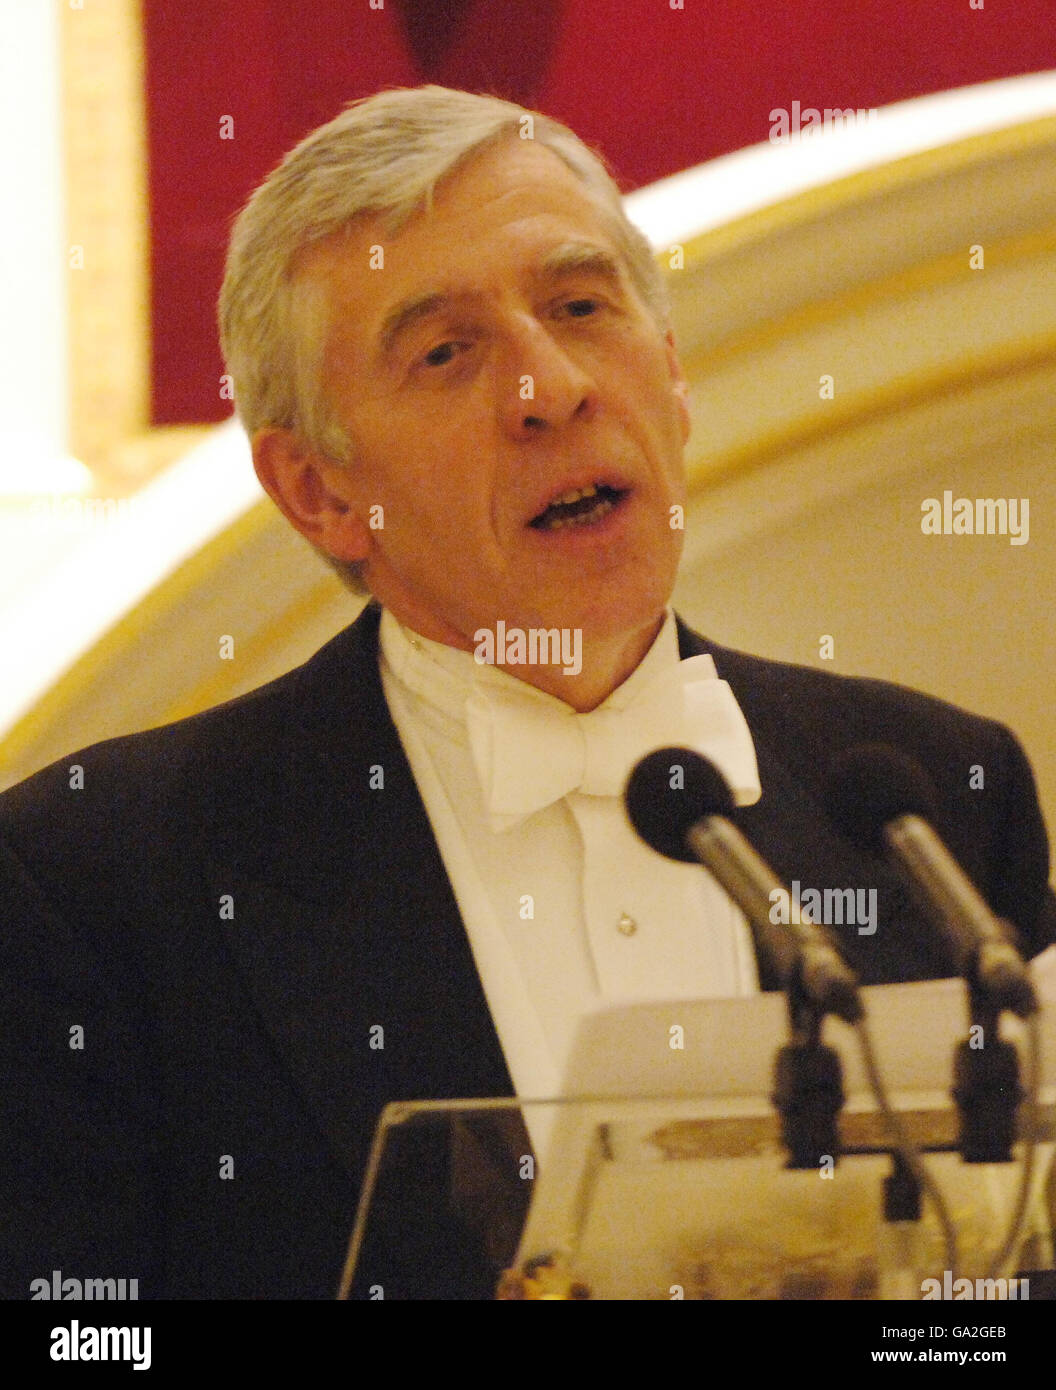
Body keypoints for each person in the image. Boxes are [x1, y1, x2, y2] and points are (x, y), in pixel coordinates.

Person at [2, 86, 1053, 1301]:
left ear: (670, 372)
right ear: (321, 493)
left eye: (581, 307)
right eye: (446, 351)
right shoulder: (95, 887)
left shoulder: (931, 801)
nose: (549, 387)